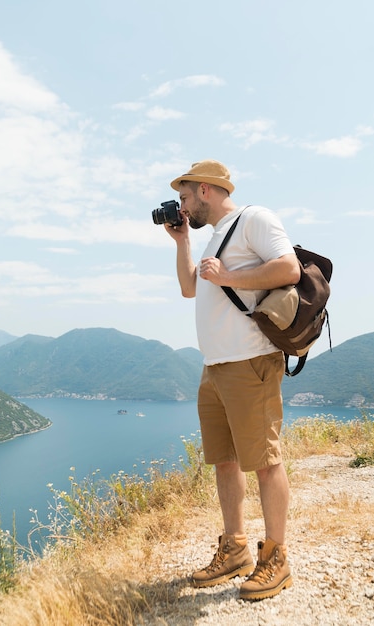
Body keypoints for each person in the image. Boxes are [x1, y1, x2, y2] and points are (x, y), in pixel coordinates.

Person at [164, 160, 300, 601]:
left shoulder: (254, 219)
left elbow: (289, 269)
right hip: (216, 365)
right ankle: (236, 548)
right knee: (224, 461)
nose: (182, 207)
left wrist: (228, 277)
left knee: (264, 462)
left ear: (205, 190)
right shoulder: (213, 236)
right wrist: (183, 241)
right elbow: (189, 288)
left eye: (185, 199)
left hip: (251, 362)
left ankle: (276, 558)